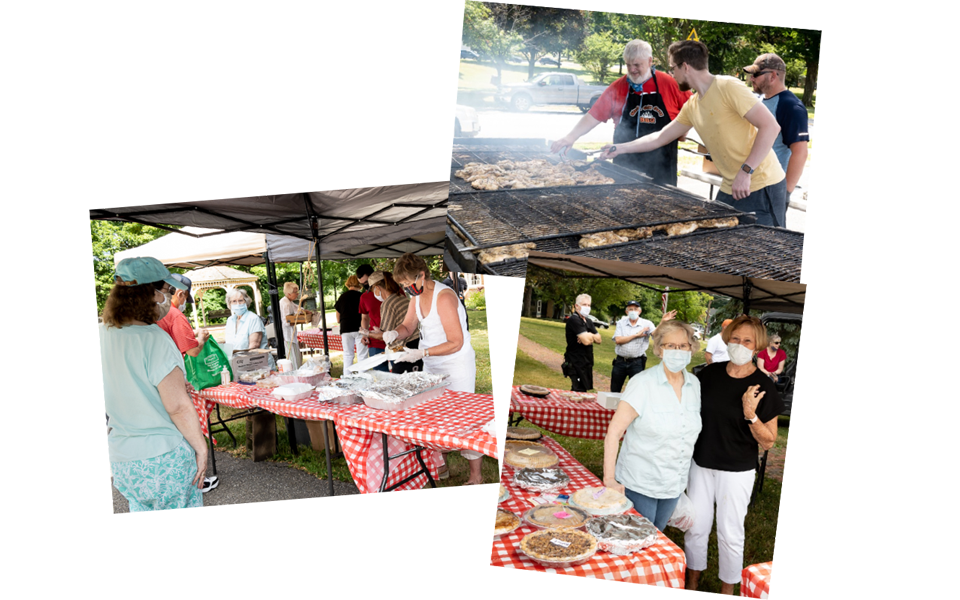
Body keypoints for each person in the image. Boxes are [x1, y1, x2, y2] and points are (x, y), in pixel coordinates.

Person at [600, 40, 787, 228]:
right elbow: (660, 137)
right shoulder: (693, 104)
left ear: (685, 67)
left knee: (771, 247)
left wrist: (746, 171)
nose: (672, 74)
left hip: (762, 184)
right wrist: (619, 148)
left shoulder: (727, 86)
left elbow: (771, 127)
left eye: (673, 68)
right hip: (731, 186)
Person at [685, 315, 784, 600]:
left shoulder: (763, 385)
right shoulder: (708, 375)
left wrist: (750, 413)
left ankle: (727, 590)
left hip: (736, 470)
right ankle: (692, 583)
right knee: (696, 527)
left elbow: (769, 441)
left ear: (758, 346)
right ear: (728, 340)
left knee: (730, 533)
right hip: (701, 463)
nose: (740, 345)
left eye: (747, 341)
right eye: (736, 339)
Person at [102, 257, 207, 513]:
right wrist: (201, 448)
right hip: (163, 456)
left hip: (123, 457)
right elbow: (178, 407)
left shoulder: (104, 334)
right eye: (166, 291)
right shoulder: (154, 339)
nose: (167, 297)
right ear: (149, 293)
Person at [382, 253, 481, 484]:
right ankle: (441, 464)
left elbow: (455, 341)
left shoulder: (443, 297)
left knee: (464, 419)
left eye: (409, 283)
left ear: (422, 275)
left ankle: (476, 476)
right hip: (432, 362)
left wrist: (422, 352)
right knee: (437, 416)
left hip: (456, 364)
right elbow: (408, 325)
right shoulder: (416, 297)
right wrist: (395, 333)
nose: (407, 289)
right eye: (403, 285)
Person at [602, 320, 701, 531]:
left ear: (691, 348)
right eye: (670, 346)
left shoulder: (695, 385)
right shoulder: (642, 383)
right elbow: (614, 432)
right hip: (640, 481)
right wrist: (609, 478)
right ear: (659, 349)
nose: (678, 351)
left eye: (683, 346)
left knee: (657, 534)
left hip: (674, 482)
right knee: (637, 537)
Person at [551, 40, 691, 186]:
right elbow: (594, 115)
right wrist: (570, 137)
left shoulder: (670, 84)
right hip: (624, 160)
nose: (632, 70)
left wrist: (682, 131)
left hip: (662, 162)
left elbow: (694, 110)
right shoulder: (619, 86)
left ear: (650, 61)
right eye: (628, 65)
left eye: (637, 65)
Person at [155, 272, 219, 492]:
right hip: (170, 378)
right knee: (183, 425)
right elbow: (192, 350)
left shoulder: (151, 314)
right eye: (185, 298)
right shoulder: (174, 315)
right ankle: (195, 481)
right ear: (179, 293)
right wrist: (200, 338)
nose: (184, 304)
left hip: (158, 379)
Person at [744, 53, 808, 197]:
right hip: (749, 184)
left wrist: (785, 194)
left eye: (756, 74)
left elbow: (800, 153)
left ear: (773, 76)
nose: (751, 78)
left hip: (770, 190)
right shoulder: (760, 100)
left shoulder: (791, 106)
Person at [611, 301, 677, 393]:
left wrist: (662, 322)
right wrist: (636, 335)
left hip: (636, 363)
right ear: (626, 312)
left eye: (635, 309)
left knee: (636, 390)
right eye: (630, 309)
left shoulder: (646, 323)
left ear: (640, 311)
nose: (633, 311)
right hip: (620, 362)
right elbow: (618, 340)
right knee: (615, 389)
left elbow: (655, 334)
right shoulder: (621, 323)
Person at [366, 271, 423, 374]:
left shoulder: (388, 303)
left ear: (378, 288)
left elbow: (386, 335)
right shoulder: (401, 297)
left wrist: (367, 333)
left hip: (405, 348)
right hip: (416, 344)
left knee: (402, 382)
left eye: (373, 289)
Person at [224, 288, 276, 371]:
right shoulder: (230, 320)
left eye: (240, 300)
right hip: (238, 365)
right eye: (234, 301)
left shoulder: (253, 318)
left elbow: (254, 346)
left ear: (246, 302)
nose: (237, 304)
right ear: (229, 304)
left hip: (257, 365)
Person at [563, 293, 601, 392]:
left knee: (583, 389)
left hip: (586, 361)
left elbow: (599, 339)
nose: (587, 307)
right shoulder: (574, 320)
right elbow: (586, 341)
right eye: (584, 305)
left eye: (589, 305)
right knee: (578, 390)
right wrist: (591, 336)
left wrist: (588, 335)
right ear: (577, 306)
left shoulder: (588, 321)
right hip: (575, 362)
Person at [279, 281, 313, 370]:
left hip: (291, 335)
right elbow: (286, 321)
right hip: (287, 335)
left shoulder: (289, 301)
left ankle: (298, 371)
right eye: (295, 292)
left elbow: (297, 309)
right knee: (292, 358)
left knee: (297, 356)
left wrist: (305, 311)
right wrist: (299, 320)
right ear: (289, 293)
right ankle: (294, 374)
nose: (297, 294)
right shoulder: (285, 302)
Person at [334, 275, 364, 369]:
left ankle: (347, 378)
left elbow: (338, 318)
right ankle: (363, 378)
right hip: (359, 328)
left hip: (345, 328)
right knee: (362, 355)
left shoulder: (342, 297)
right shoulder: (362, 296)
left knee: (347, 355)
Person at [358, 271, 385, 363]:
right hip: (375, 340)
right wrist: (364, 335)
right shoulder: (364, 297)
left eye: (366, 282)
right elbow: (365, 318)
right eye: (361, 284)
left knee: (399, 373)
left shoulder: (396, 292)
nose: (365, 286)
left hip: (395, 339)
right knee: (379, 372)